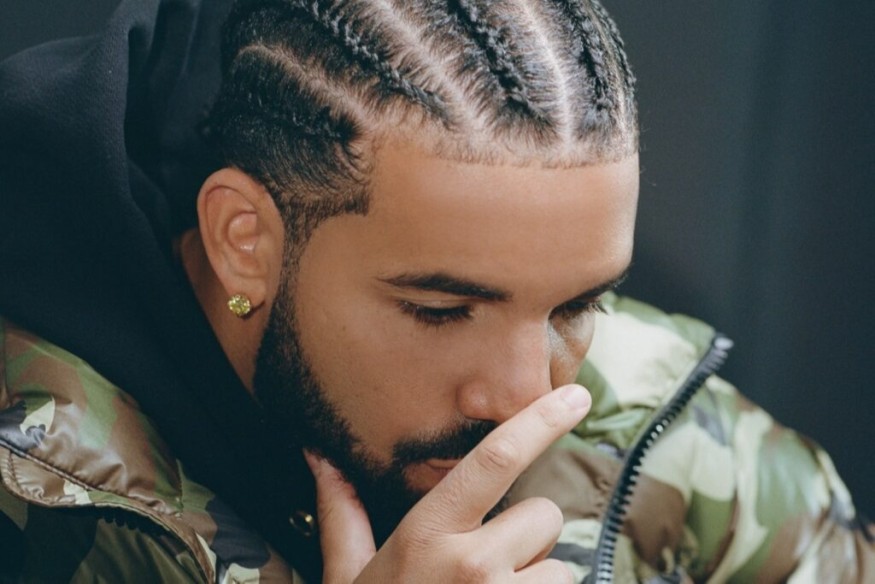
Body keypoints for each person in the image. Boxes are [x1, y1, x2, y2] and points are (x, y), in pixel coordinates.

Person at [0, 0, 871, 582]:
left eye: (576, 305)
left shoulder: (672, 439)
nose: (528, 397)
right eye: (442, 310)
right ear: (245, 241)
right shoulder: (32, 489)